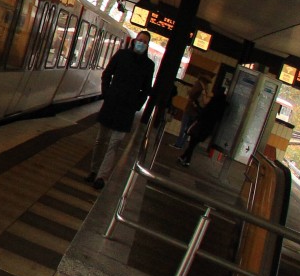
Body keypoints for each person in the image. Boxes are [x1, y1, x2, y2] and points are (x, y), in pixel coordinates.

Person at [86, 31, 156, 190]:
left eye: (145, 42)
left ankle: (101, 177)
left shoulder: (148, 66)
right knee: (101, 140)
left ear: (147, 45)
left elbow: (146, 89)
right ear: (134, 41)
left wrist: (137, 105)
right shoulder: (121, 55)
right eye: (140, 40)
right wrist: (107, 93)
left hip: (127, 109)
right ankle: (93, 170)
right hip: (112, 103)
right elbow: (107, 74)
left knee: (114, 143)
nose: (141, 44)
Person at [178, 85, 228, 167]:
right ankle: (183, 157)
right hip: (208, 128)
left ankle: (187, 161)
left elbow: (204, 112)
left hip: (201, 125)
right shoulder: (222, 105)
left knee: (192, 143)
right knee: (193, 144)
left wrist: (197, 108)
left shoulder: (213, 101)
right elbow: (219, 118)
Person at [173, 79, 208, 149]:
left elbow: (191, 96)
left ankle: (178, 143)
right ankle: (181, 144)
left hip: (189, 111)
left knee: (183, 128)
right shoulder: (205, 92)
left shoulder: (197, 91)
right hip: (196, 113)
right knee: (188, 130)